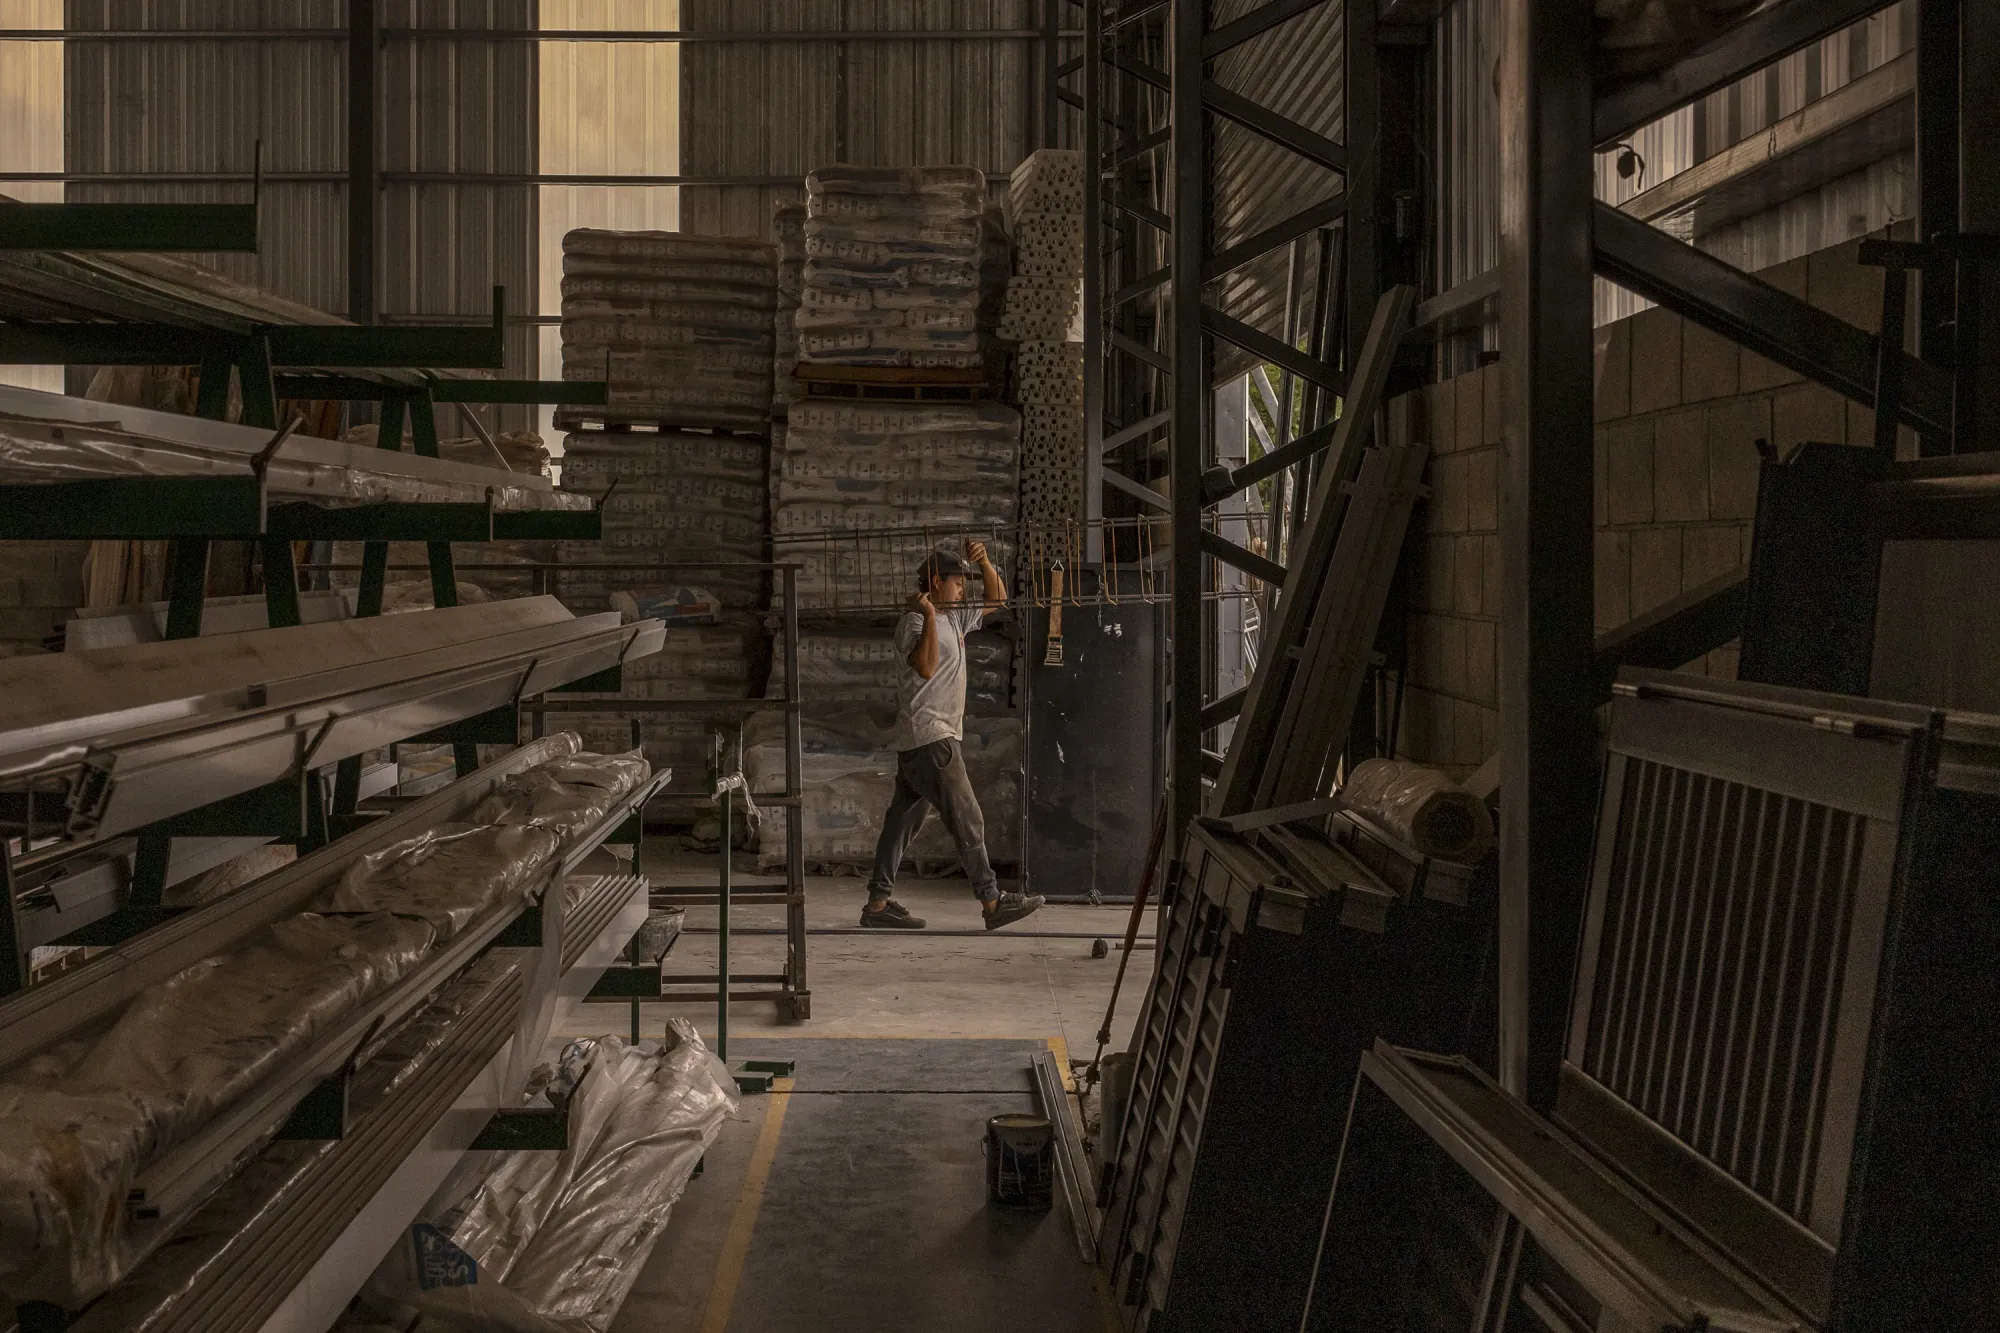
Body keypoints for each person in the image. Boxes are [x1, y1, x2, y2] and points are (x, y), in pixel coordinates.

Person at [860, 539, 1045, 931]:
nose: (963, 587)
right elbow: (925, 668)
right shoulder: (914, 622)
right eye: (957, 581)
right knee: (967, 816)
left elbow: (998, 598)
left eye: (964, 580)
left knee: (901, 822)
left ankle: (878, 903)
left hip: (923, 741)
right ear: (935, 582)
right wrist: (926, 613)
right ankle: (993, 902)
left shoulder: (955, 617)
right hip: (931, 737)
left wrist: (985, 563)